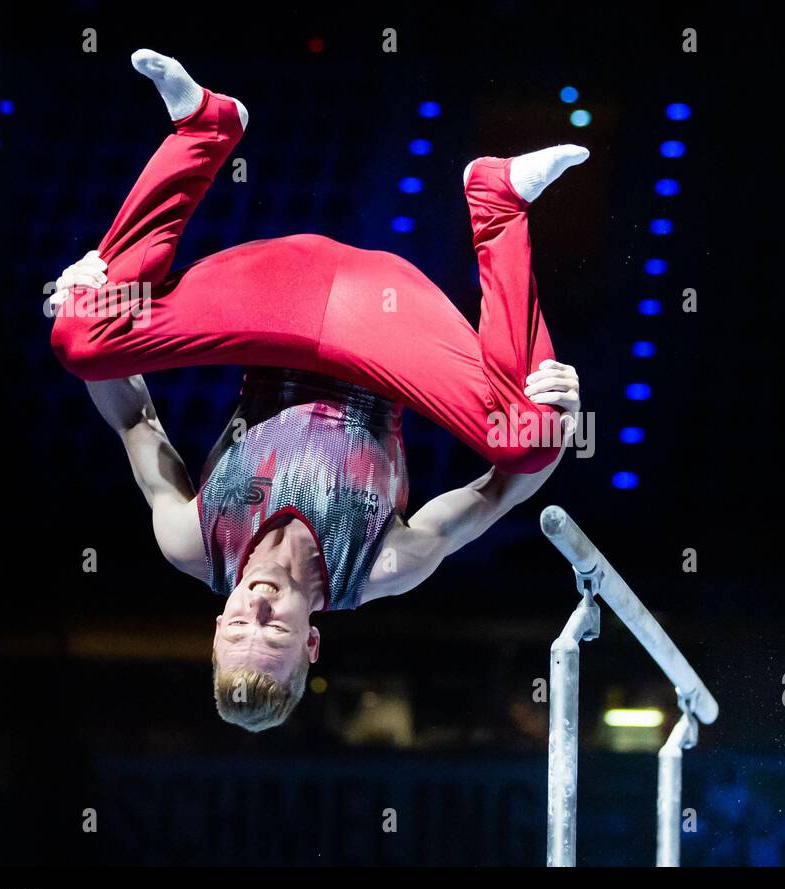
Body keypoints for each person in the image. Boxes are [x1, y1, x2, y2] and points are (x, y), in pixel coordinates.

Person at [48, 51, 585, 731]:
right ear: (310, 642)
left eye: (238, 627)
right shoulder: (382, 565)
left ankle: (203, 130)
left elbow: (134, 419)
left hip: (272, 301)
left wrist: (88, 303)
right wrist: (560, 416)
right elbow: (498, 492)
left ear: (217, 626)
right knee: (528, 440)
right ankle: (498, 203)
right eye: (273, 637)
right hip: (383, 330)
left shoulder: (191, 540)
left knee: (81, 341)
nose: (258, 612)